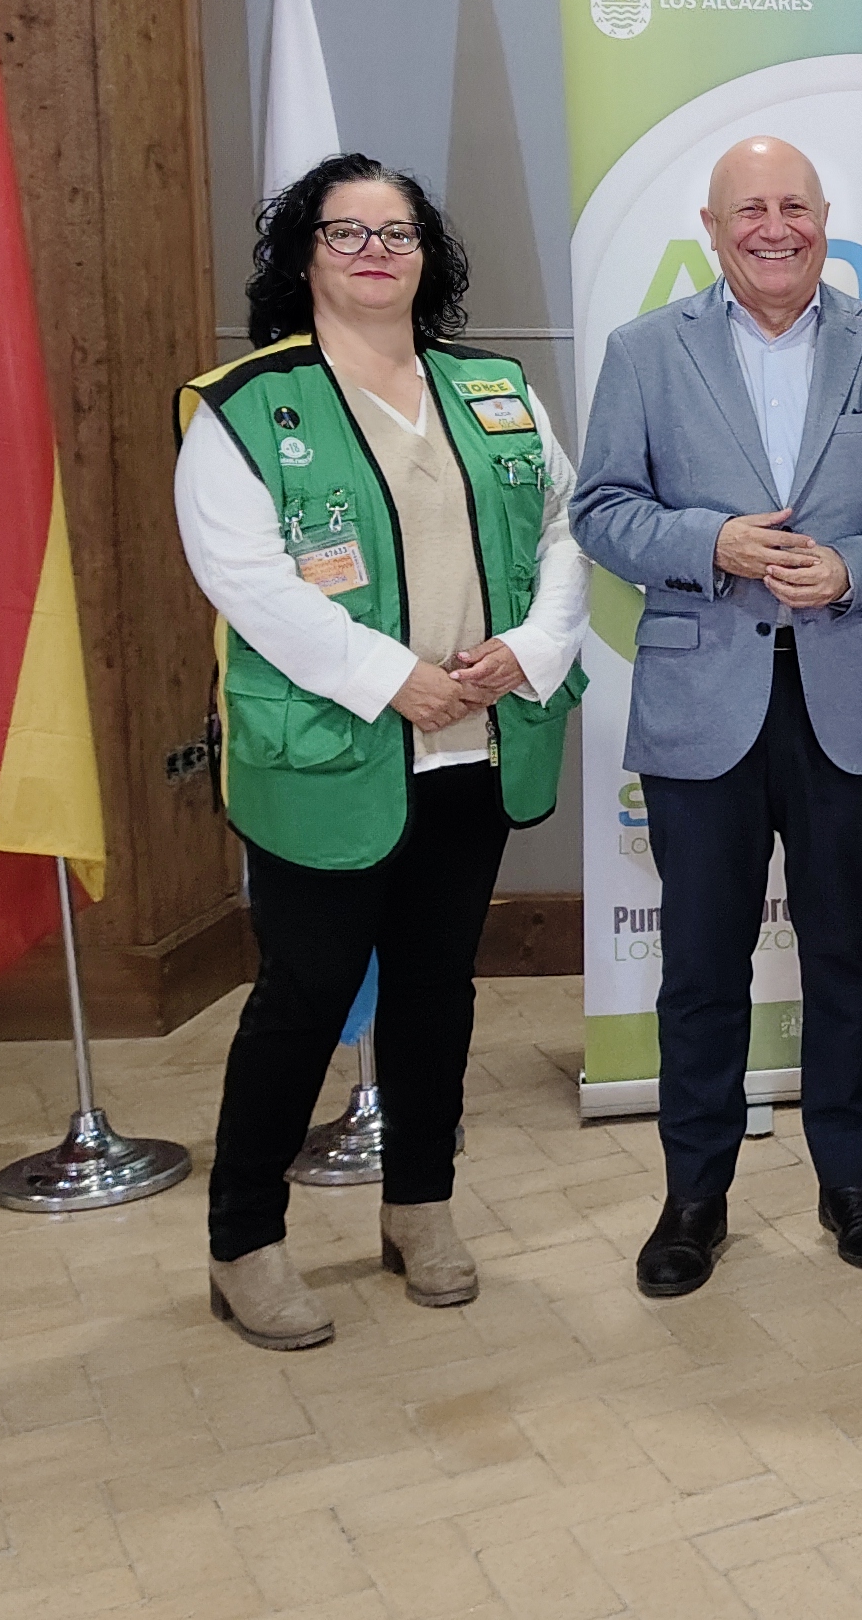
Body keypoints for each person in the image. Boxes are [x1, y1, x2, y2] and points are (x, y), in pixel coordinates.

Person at [175, 154, 588, 1350]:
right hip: (333, 750)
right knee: (300, 998)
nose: (373, 252)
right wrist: (385, 678)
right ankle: (244, 1242)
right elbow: (245, 582)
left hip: (475, 743)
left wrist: (533, 644)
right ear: (301, 254)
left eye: (396, 232)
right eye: (344, 232)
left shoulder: (493, 387)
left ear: (428, 254)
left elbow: (565, 524)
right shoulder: (244, 408)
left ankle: (420, 1206)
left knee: (434, 990)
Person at [572, 138, 862, 1299]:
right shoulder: (645, 352)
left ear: (826, 219)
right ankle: (694, 1198)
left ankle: (854, 1182)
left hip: (844, 694)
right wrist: (709, 544)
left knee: (847, 952)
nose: (773, 226)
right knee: (700, 964)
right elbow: (598, 510)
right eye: (751, 208)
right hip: (702, 699)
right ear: (711, 223)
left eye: (794, 205)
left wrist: (853, 568)